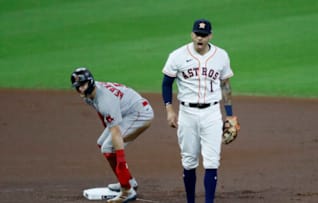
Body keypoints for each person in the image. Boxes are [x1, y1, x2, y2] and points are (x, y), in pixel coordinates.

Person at [161, 19, 237, 203]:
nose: (200, 38)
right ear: (192, 35)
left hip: (212, 114)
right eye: (197, 34)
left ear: (210, 36)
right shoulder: (177, 55)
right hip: (187, 114)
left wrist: (230, 114)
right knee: (188, 161)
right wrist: (169, 109)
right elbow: (166, 83)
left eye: (204, 35)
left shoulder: (221, 55)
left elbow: (225, 85)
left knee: (212, 161)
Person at [70, 67, 154, 203]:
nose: (80, 89)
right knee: (102, 143)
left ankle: (127, 190)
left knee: (108, 147)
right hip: (125, 113)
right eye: (77, 87)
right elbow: (102, 114)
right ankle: (128, 181)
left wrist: (121, 160)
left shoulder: (105, 100)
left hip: (140, 114)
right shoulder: (89, 95)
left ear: (90, 82)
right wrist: (107, 132)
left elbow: (115, 131)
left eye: (82, 85)